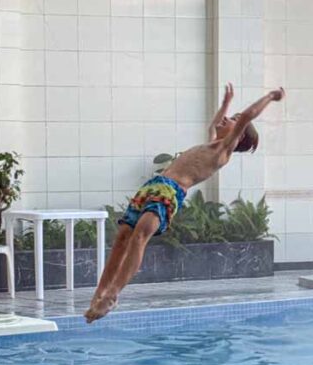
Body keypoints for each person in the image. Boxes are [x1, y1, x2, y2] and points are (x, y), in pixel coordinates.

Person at [85, 83, 285, 323]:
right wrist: (225, 105)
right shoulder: (211, 142)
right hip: (152, 186)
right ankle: (99, 293)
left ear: (238, 135)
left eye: (232, 120)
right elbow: (214, 124)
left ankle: (113, 294)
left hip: (169, 193)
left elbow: (247, 116)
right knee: (122, 237)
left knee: (140, 236)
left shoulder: (223, 150)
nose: (226, 120)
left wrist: (270, 96)